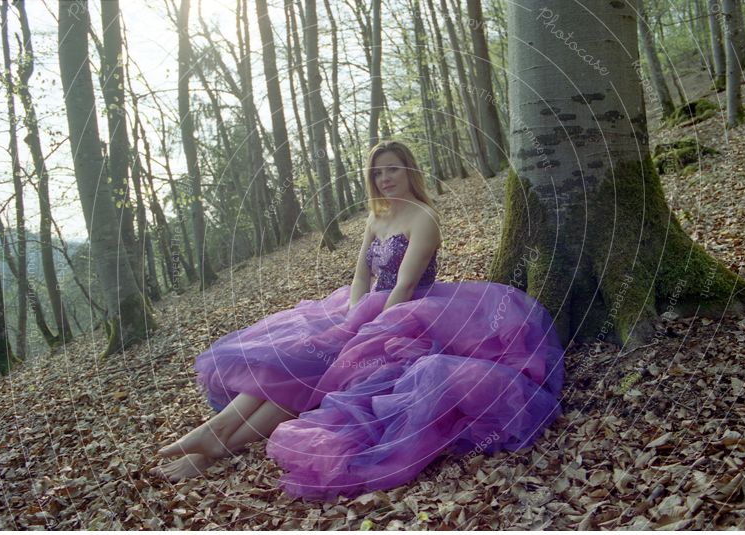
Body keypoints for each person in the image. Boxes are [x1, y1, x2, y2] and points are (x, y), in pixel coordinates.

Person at [150, 140, 564, 501]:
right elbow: (361, 275)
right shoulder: (376, 217)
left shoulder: (424, 218)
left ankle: (216, 441)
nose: (385, 179)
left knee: (312, 368)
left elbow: (403, 286)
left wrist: (368, 329)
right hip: (361, 307)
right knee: (292, 359)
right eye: (378, 173)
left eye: (393, 170)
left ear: (409, 171)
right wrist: (350, 311)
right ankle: (217, 433)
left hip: (408, 312)